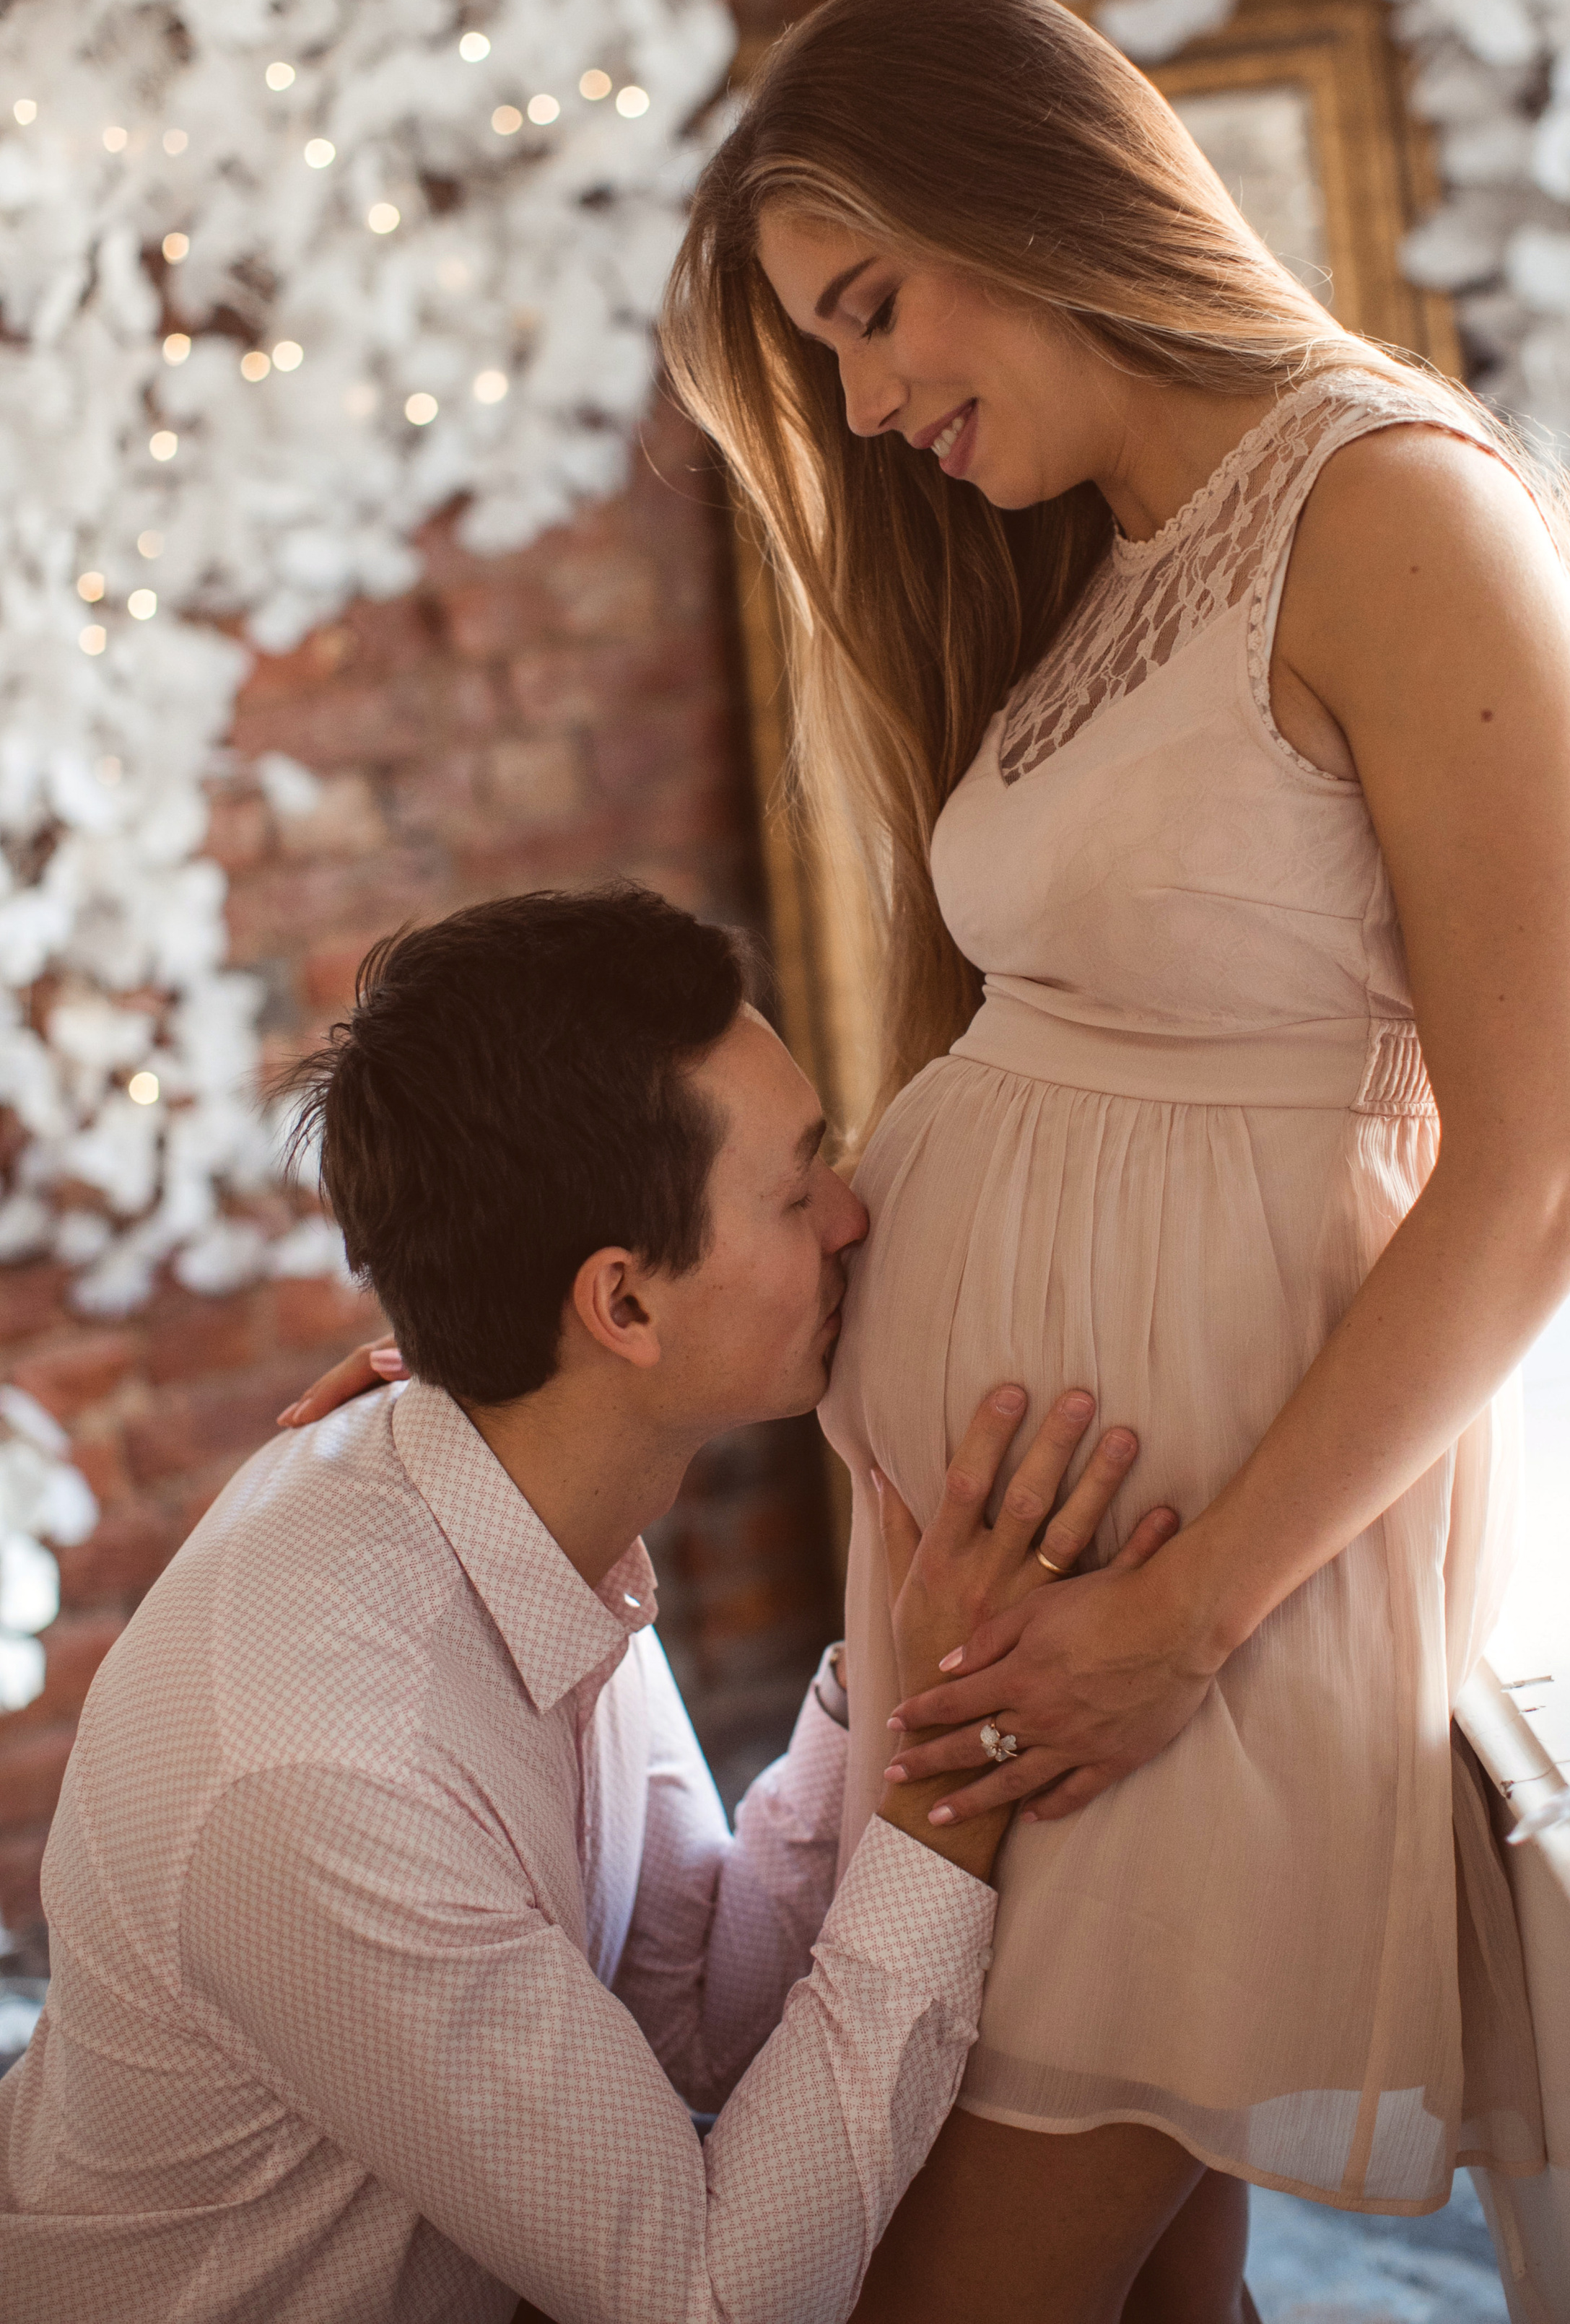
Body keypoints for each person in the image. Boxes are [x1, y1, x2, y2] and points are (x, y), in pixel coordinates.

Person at [653, 0, 1570, 2322]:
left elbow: (1541, 1180)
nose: (873, 406)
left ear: (1024, 185)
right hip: (1042, 1586)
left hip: (1196, 1592)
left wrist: (1176, 1628)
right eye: (831, 362)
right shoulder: (1102, 572)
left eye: (872, 315)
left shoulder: (1399, 514)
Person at [0, 884, 1176, 2324]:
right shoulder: (328, 1770)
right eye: (796, 1190)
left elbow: (682, 2004)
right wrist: (950, 1784)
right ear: (620, 1308)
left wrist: (904, 1669)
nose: (852, 1220)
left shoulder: (509, 1493)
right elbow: (712, 2300)